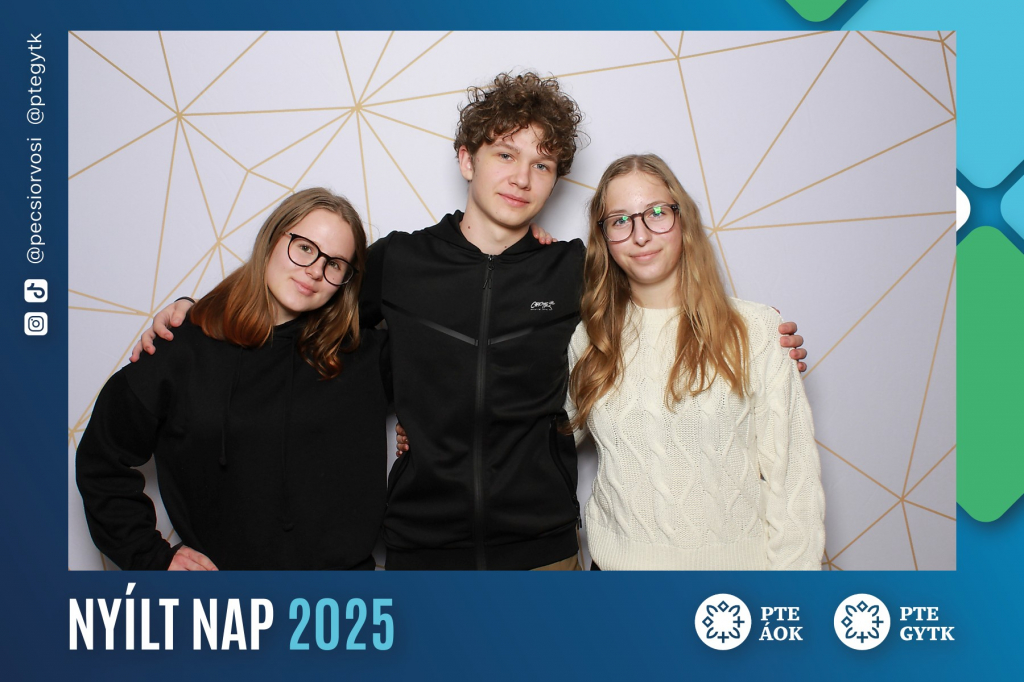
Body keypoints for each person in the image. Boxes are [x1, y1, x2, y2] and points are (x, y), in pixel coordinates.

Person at [132, 73, 807, 571]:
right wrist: (199, 309)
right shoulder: (399, 262)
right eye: (505, 155)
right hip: (422, 551)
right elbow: (300, 304)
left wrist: (760, 340)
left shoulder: (571, 270)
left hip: (544, 553)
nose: (522, 177)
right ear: (466, 159)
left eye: (542, 164)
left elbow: (659, 315)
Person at [77, 188, 389, 570]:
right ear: (272, 239)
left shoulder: (364, 356)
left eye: (335, 263)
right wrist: (153, 558)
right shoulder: (184, 348)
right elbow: (101, 460)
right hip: (227, 597)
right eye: (305, 248)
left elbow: (446, 365)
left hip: (342, 597)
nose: (314, 270)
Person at [567, 155, 825, 570]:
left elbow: (793, 480)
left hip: (735, 583)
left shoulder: (756, 329)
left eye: (656, 213)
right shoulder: (590, 338)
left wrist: (791, 593)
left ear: (682, 218)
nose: (640, 235)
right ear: (604, 238)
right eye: (620, 220)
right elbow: (541, 433)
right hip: (616, 581)